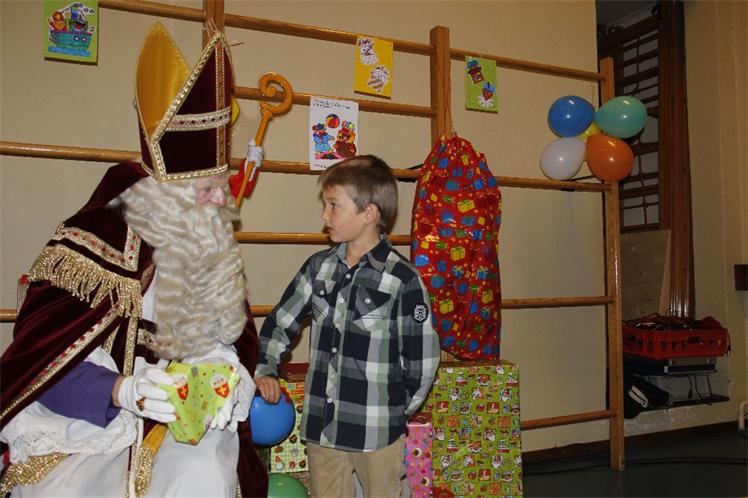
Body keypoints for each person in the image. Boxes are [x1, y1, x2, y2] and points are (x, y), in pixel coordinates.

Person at [0, 24, 267, 497]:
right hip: (86, 430)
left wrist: (225, 376)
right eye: (207, 191)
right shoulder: (89, 247)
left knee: (203, 475)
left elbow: (226, 344)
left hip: (181, 432)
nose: (223, 203)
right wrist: (123, 390)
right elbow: (42, 366)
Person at [255, 155, 441, 497]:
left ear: (369, 213)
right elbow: (281, 322)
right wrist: (265, 366)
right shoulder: (318, 268)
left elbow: (422, 360)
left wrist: (393, 411)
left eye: (333, 205)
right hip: (323, 427)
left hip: (377, 432)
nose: (324, 215)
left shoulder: (402, 279)